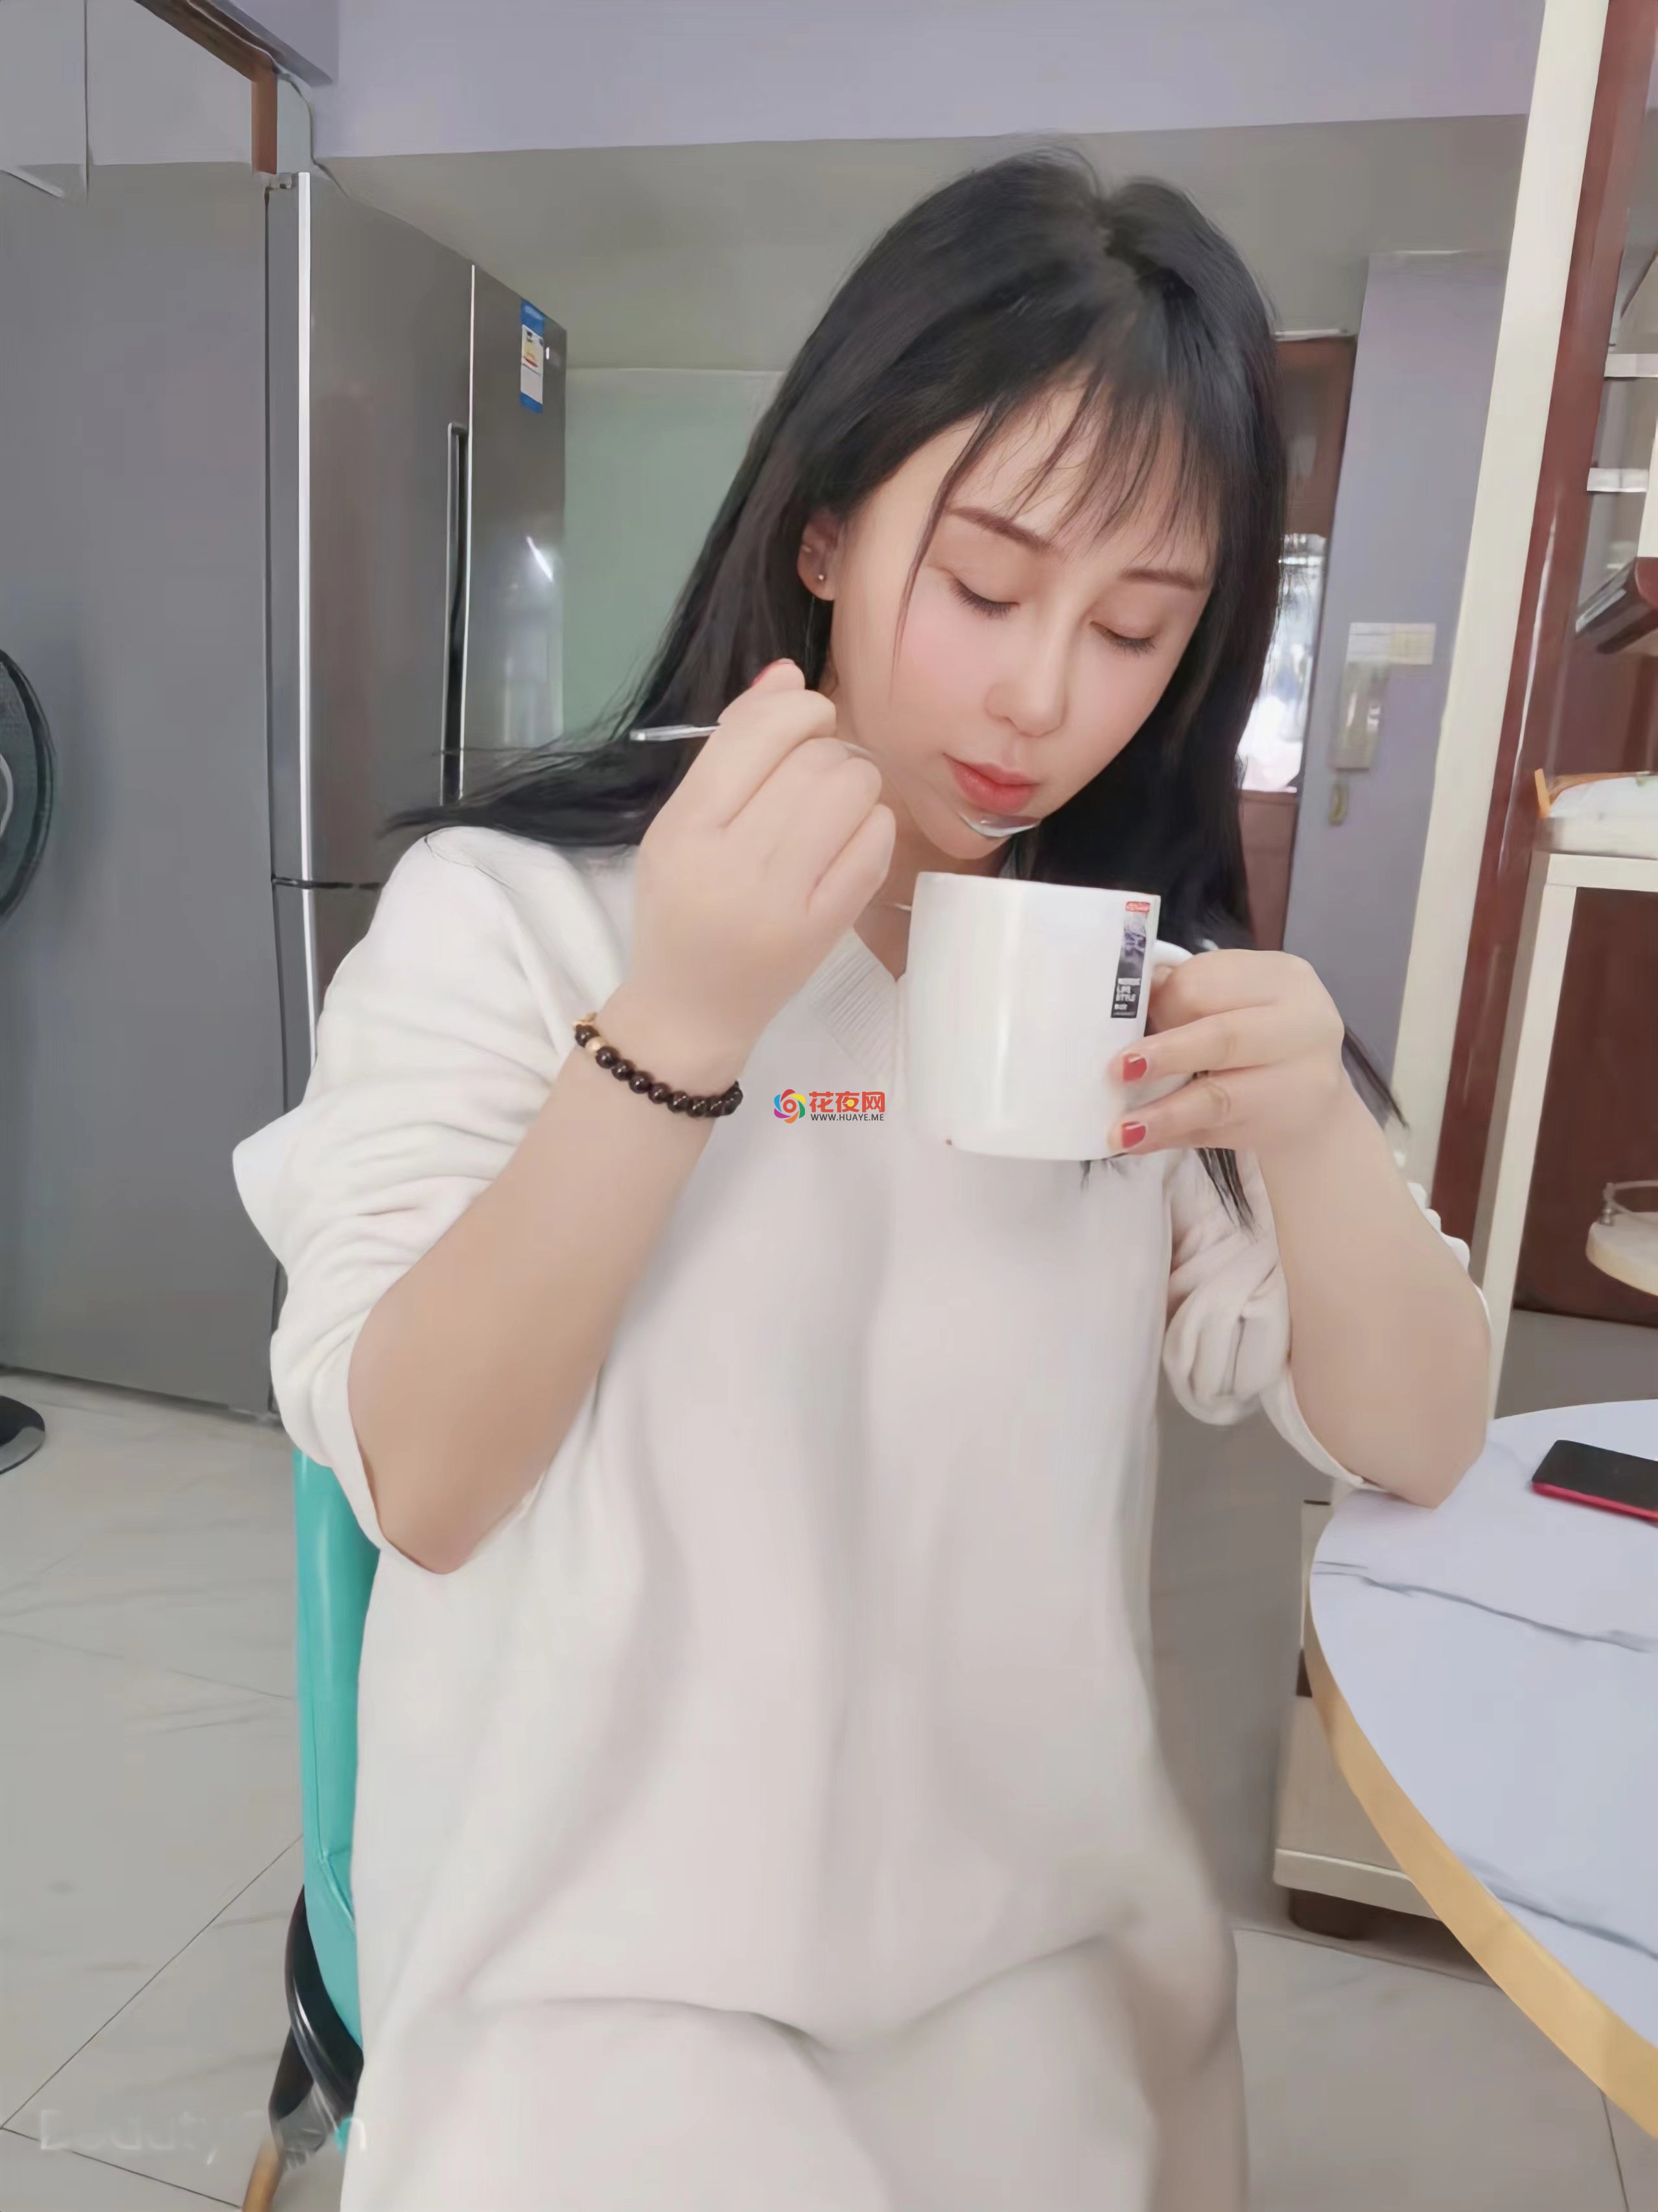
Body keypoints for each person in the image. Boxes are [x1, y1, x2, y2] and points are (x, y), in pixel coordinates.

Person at [233, 152, 1489, 2212]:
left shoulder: (1118, 985)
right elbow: (426, 1475)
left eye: (1136, 629)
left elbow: (1423, 1433)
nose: (1044, 697)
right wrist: (684, 1019)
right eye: (987, 588)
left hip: (1040, 1954)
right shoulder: (513, 916)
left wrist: (1320, 1138)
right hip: (606, 1973)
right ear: (823, 526)